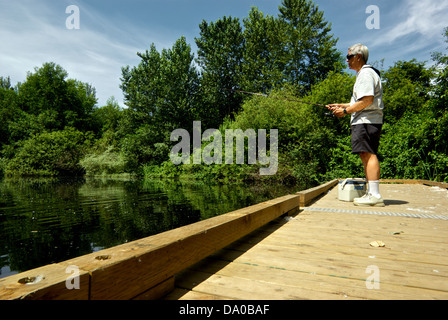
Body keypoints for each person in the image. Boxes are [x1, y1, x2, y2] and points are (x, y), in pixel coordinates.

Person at [327, 43, 385, 207]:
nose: (346, 61)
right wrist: (341, 105)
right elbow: (359, 101)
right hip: (367, 121)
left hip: (366, 121)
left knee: (368, 154)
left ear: (358, 57)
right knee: (365, 154)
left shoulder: (366, 74)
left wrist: (344, 112)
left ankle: (374, 195)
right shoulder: (365, 74)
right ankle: (371, 193)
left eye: (348, 57)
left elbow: (367, 100)